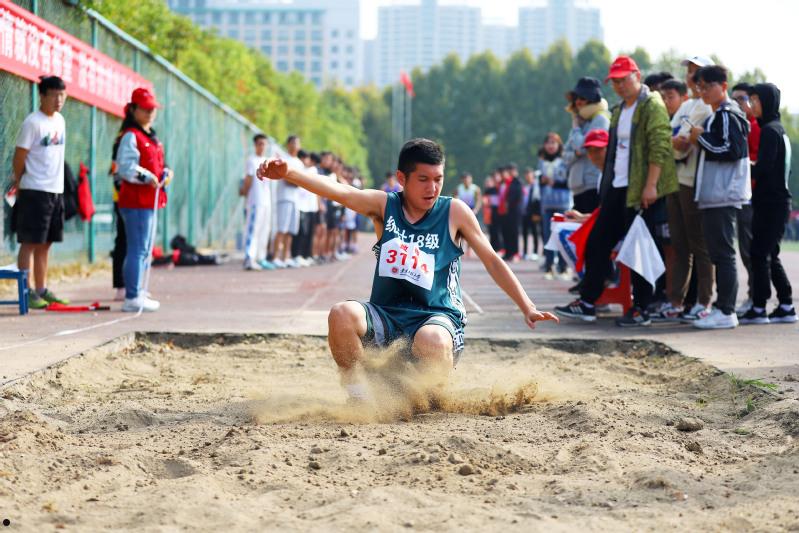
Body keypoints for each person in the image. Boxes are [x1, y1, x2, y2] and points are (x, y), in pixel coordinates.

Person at [256, 138, 559, 402]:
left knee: (431, 341)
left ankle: (428, 397)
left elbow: (492, 260)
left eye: (438, 178)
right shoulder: (384, 206)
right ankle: (362, 398)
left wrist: (527, 306)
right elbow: (340, 192)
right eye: (423, 179)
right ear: (402, 178)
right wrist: (290, 172)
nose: (433, 188)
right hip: (387, 317)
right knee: (341, 314)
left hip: (436, 322)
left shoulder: (454, 212)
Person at [555, 55, 678, 327]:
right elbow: (614, 152)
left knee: (639, 248)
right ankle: (588, 302)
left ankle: (642, 307)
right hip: (618, 187)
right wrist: (608, 186)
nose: (620, 86)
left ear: (637, 75)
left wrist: (651, 185)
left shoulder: (651, 104)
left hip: (641, 189)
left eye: (624, 79)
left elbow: (660, 145)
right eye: (615, 81)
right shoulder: (620, 110)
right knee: (597, 241)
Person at [689, 65, 751, 329]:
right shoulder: (718, 115)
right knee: (718, 253)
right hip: (716, 195)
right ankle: (721, 307)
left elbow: (730, 149)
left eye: (707, 86)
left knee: (723, 254)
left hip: (724, 194)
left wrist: (699, 138)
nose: (703, 91)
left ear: (723, 86)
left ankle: (726, 310)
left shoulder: (726, 114)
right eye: (700, 86)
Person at [661, 56, 715, 323]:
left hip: (693, 181)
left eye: (695, 72)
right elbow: (676, 140)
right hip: (675, 179)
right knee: (680, 246)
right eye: (689, 73)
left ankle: (704, 301)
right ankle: (676, 301)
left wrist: (672, 140)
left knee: (700, 246)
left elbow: (681, 144)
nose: (691, 78)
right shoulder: (688, 106)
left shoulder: (708, 107)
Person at [11, 75, 70, 310]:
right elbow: (19, 157)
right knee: (30, 242)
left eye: (62, 95)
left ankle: (42, 289)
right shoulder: (32, 123)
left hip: (55, 191)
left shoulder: (60, 121)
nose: (59, 100)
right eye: (54, 95)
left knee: (46, 243)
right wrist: (21, 181)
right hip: (34, 190)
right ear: (42, 95)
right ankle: (26, 292)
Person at [739, 83, 796, 324]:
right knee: (769, 253)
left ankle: (760, 307)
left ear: (767, 102)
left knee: (759, 253)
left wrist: (743, 165)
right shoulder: (776, 129)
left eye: (756, 100)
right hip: (775, 202)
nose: (752, 105)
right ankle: (785, 304)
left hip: (772, 203)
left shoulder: (770, 131)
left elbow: (764, 168)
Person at [113, 88, 171, 312]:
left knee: (144, 248)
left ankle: (137, 290)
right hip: (135, 201)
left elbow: (157, 164)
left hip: (149, 201)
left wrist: (165, 172)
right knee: (137, 249)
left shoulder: (151, 136)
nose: (150, 113)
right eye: (145, 109)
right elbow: (125, 168)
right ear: (134, 109)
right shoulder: (131, 135)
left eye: (152, 109)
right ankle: (132, 296)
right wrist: (148, 177)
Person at [731, 82, 761, 315]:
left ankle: (755, 297)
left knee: (750, 249)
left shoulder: (755, 127)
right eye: (735, 99)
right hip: (741, 195)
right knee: (744, 249)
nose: (738, 104)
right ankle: (754, 296)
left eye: (742, 99)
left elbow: (757, 159)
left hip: (752, 195)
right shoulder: (743, 125)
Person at [562, 77, 610, 213]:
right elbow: (565, 155)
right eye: (576, 97)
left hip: (593, 184)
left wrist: (576, 130)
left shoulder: (600, 119)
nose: (578, 101)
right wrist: (577, 153)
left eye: (583, 98)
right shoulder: (581, 121)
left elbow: (584, 147)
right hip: (577, 186)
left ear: (592, 99)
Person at [240, 134, 275, 271]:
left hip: (266, 201)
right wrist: (244, 191)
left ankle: (261, 258)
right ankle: (249, 257)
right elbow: (248, 179)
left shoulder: (267, 161)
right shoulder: (252, 160)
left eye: (264, 144)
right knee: (253, 229)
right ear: (255, 145)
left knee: (264, 229)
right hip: (255, 201)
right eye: (259, 144)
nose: (262, 146)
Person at [538, 133, 570, 278]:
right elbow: (539, 183)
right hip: (547, 204)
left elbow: (568, 182)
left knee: (561, 235)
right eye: (548, 143)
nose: (551, 146)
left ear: (559, 145)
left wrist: (554, 182)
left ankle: (563, 267)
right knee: (547, 235)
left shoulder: (564, 160)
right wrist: (542, 180)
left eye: (554, 143)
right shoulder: (541, 162)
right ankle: (549, 265)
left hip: (562, 204)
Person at [273, 135, 302, 268]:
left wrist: (296, 181)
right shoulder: (283, 159)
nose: (295, 145)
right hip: (284, 198)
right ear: (288, 145)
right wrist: (295, 181)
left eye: (297, 143)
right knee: (281, 229)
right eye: (293, 143)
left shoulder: (300, 163)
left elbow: (301, 182)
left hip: (295, 200)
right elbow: (285, 178)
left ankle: (285, 258)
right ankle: (275, 257)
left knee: (290, 230)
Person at [291, 149, 318, 267]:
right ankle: (296, 255)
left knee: (306, 232)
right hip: (300, 205)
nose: (306, 161)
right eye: (305, 158)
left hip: (308, 206)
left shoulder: (311, 170)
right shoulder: (299, 169)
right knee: (299, 232)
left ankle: (303, 255)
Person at [521, 168, 541, 260]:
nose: (528, 176)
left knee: (535, 232)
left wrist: (537, 213)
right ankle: (525, 252)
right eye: (526, 174)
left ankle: (535, 252)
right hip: (525, 213)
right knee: (524, 233)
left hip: (533, 213)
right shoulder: (525, 187)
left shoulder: (536, 186)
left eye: (529, 174)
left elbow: (537, 201)